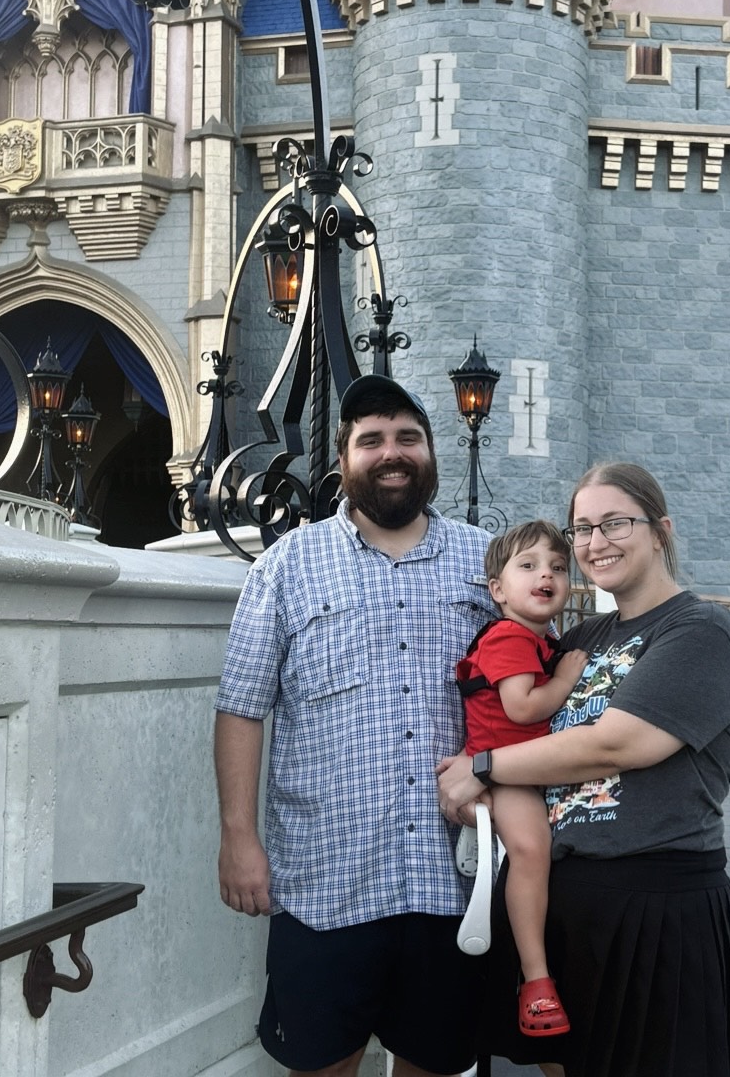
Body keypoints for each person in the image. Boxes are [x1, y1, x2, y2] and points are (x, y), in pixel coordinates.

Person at [215, 374, 497, 1077]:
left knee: (433, 1064)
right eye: (371, 440)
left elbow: (529, 697)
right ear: (343, 460)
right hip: (324, 879)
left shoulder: (488, 563)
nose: (390, 453)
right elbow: (242, 708)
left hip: (451, 880)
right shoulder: (287, 566)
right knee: (321, 1065)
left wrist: (491, 770)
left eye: (407, 437)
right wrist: (238, 838)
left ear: (430, 453)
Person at [437, 462, 730, 1077]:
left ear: (660, 530)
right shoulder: (583, 635)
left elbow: (618, 745)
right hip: (563, 898)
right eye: (581, 528)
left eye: (614, 523)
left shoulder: (700, 629)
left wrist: (485, 766)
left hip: (655, 901)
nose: (593, 543)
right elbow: (513, 710)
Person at [455, 521, 588, 1038]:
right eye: (528, 566)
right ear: (497, 589)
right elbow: (523, 706)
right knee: (532, 850)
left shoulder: (539, 637)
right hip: (508, 774)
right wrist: (566, 680)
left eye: (558, 567)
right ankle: (535, 981)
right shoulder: (511, 636)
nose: (546, 575)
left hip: (523, 766)